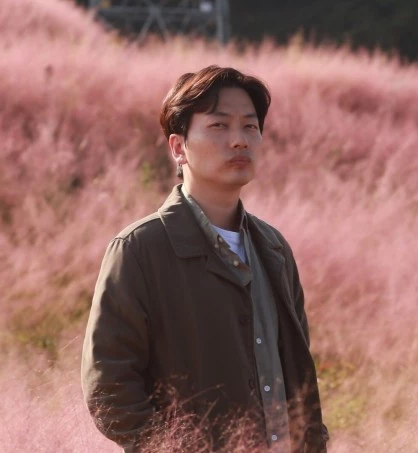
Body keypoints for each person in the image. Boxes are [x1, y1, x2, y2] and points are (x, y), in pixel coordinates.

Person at [82, 66, 329, 452]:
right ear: (178, 147)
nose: (239, 140)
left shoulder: (274, 249)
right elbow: (109, 389)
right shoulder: (140, 249)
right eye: (219, 126)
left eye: (250, 127)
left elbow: (296, 378)